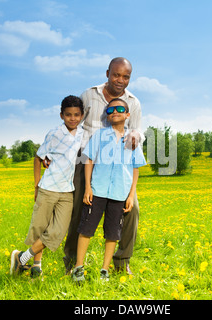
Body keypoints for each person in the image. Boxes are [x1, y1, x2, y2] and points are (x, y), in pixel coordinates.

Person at [62, 57, 144, 275]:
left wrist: (136, 134)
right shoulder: (89, 95)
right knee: (80, 208)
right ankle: (72, 261)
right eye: (116, 75)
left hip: (118, 166)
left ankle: (121, 261)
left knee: (132, 209)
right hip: (86, 159)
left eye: (125, 77)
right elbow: (72, 122)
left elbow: (136, 131)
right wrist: (56, 150)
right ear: (107, 73)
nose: (120, 80)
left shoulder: (133, 103)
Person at [71, 98, 146, 282]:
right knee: (86, 229)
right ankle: (78, 268)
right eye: (110, 110)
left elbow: (135, 168)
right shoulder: (100, 135)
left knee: (113, 233)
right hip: (97, 190)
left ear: (127, 114)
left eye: (120, 109)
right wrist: (88, 187)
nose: (114, 112)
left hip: (119, 193)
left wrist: (130, 195)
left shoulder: (132, 139)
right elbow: (89, 160)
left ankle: (105, 270)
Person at [10, 95, 84, 278]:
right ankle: (36, 266)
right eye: (68, 115)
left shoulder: (84, 134)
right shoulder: (54, 133)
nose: (72, 118)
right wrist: (36, 185)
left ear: (82, 115)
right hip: (48, 188)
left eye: (76, 114)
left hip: (67, 191)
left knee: (57, 231)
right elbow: (38, 157)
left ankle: (21, 257)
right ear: (61, 115)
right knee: (40, 227)